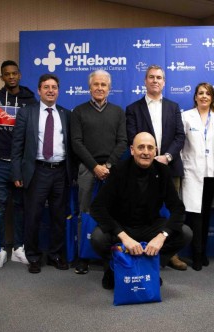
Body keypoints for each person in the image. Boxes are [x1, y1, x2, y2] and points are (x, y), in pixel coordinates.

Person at [90, 132, 192, 289]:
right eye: (141, 147)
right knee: (98, 237)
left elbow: (178, 209)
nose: (146, 151)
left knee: (185, 233)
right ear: (132, 150)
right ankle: (113, 267)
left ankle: (149, 266)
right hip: (123, 226)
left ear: (155, 151)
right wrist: (123, 236)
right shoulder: (118, 171)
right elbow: (97, 207)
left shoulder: (163, 171)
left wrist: (162, 236)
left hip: (150, 226)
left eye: (150, 148)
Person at [125, 65, 187, 271]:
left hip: (170, 166)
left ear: (164, 82)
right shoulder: (133, 109)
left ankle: (171, 254)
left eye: (159, 78)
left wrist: (167, 157)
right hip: (143, 169)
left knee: (173, 211)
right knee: (144, 210)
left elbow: (180, 136)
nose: (155, 81)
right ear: (145, 81)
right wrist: (150, 159)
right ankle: (143, 250)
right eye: (151, 77)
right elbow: (132, 138)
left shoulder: (173, 106)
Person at [11, 74, 74, 274]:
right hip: (37, 171)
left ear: (58, 90)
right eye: (46, 87)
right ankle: (33, 256)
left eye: (54, 87)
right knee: (33, 216)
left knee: (58, 215)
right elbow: (17, 145)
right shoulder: (26, 113)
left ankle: (55, 254)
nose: (50, 90)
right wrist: (17, 173)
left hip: (61, 172)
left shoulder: (66, 114)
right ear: (39, 90)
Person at [70, 70, 127, 274]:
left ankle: (109, 255)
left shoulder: (118, 112)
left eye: (104, 85)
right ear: (90, 87)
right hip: (87, 169)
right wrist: (95, 166)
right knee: (84, 213)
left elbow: (123, 142)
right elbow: (76, 143)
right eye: (96, 84)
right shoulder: (78, 111)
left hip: (112, 171)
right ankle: (83, 256)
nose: (100, 88)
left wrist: (108, 166)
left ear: (109, 88)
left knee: (113, 214)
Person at [0, 60, 38, 267]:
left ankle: (19, 248)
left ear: (19, 75)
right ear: (2, 77)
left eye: (14, 73)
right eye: (6, 74)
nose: (11, 77)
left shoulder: (30, 100)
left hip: (22, 163)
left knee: (20, 206)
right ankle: (0, 250)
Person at [180, 82, 214, 271]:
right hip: (193, 173)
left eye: (208, 93)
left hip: (211, 174)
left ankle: (203, 251)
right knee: (195, 217)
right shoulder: (186, 117)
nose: (204, 96)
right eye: (200, 93)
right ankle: (196, 255)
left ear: (212, 97)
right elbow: (180, 146)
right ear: (195, 97)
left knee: (206, 216)